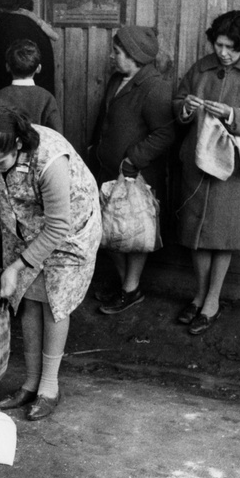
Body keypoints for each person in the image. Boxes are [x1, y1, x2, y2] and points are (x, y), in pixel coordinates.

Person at [0, 104, 101, 421]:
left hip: (69, 231)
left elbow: (58, 226)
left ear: (17, 143)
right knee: (29, 299)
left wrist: (17, 267)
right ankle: (30, 383)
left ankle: (49, 388)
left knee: (54, 303)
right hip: (23, 228)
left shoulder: (50, 159)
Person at [173, 10, 240, 335]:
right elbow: (177, 101)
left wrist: (231, 114)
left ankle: (212, 301)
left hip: (233, 169)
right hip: (199, 161)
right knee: (197, 236)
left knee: (222, 235)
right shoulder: (201, 67)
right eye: (219, 44)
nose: (224, 53)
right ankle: (199, 295)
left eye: (231, 47)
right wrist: (185, 108)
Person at [89, 26, 175, 315]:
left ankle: (130, 289)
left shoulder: (154, 86)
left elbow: (165, 133)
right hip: (107, 170)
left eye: (118, 52)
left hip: (136, 175)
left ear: (135, 56)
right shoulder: (117, 80)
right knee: (110, 232)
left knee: (134, 231)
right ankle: (129, 285)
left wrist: (133, 160)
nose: (112, 56)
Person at [0, 38, 62, 132]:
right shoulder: (47, 98)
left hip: (8, 146)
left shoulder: (0, 96)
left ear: (7, 67)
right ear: (38, 68)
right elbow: (57, 136)